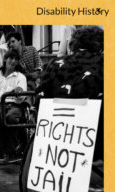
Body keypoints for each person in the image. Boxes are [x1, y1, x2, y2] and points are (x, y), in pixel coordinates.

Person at [37, 25, 104, 161]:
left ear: (73, 44)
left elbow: (40, 102)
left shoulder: (53, 65)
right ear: (102, 46)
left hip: (57, 140)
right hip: (97, 141)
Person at [0, 49, 27, 163]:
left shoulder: (20, 77)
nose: (13, 61)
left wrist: (18, 91)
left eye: (16, 59)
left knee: (10, 117)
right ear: (5, 59)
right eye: (11, 58)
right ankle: (2, 151)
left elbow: (22, 96)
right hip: (0, 105)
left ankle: (12, 151)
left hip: (15, 105)